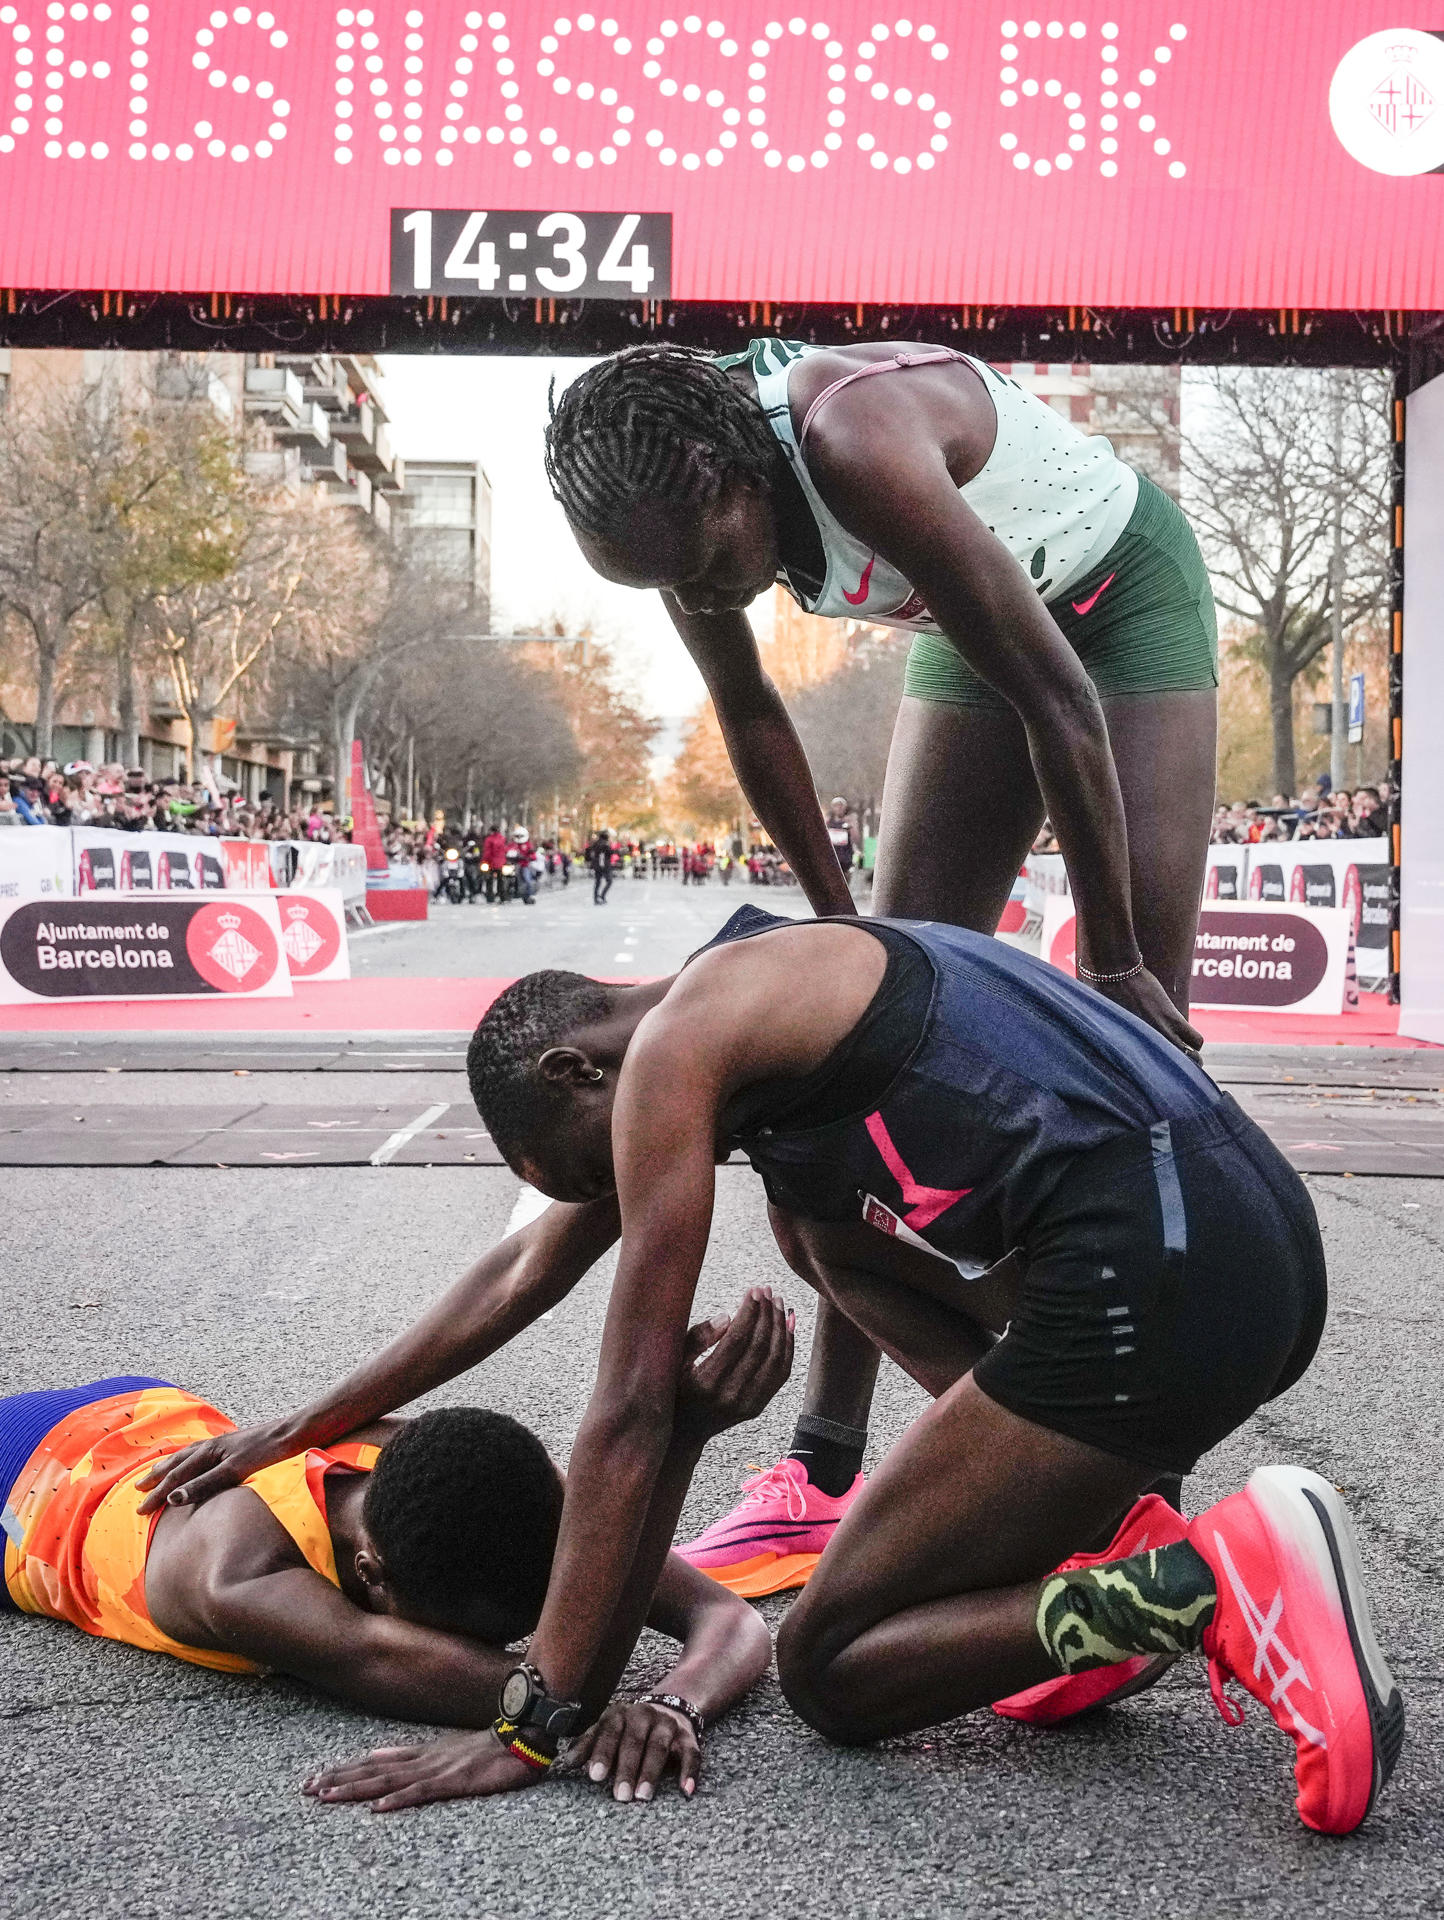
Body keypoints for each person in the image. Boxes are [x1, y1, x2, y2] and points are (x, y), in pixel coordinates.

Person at [143, 905, 1398, 1833]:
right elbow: (525, 1276)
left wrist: (542, 1715)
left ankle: (1209, 1583)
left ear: (575, 1071)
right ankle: (1099, 1540)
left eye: (588, 1173)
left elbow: (630, 1408)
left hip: (1155, 1278)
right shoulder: (761, 976)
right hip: (1247, 1248)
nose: (611, 1199)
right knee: (820, 1232)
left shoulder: (681, 1045)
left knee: (835, 1670)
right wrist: (305, 1424)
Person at [545, 339, 1218, 1584]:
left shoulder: (854, 439)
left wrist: (1114, 955)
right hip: (977, 623)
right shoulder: (668, 511)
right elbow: (750, 714)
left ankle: (1136, 1480)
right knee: (864, 1057)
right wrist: (836, 936)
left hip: (1116, 603)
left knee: (1147, 1052)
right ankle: (820, 1467)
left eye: (706, 564)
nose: (705, 595)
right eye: (666, 585)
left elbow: (1059, 699)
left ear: (728, 464)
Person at [4, 1302, 784, 1803]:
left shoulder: (490, 1483)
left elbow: (726, 1616)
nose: (529, 1647)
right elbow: (539, 1698)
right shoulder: (236, 1580)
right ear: (371, 1576)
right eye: (471, 1639)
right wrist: (613, 1716)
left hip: (148, 1415)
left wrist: (674, 1702)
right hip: (24, 1500)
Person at [588, 828, 614, 906]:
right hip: (605, 866)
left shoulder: (595, 844)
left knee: (598, 882)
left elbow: (589, 852)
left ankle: (596, 898)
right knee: (609, 881)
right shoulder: (605, 844)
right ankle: (602, 895)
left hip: (597, 866)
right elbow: (610, 853)